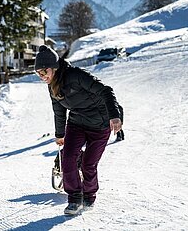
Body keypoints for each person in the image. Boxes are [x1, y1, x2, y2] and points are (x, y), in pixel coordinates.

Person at [35, 45, 123, 215]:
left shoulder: (75, 75)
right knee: (67, 158)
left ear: (54, 67)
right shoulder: (52, 85)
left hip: (100, 123)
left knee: (88, 164)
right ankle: (75, 198)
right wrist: (60, 134)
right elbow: (59, 110)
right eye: (38, 73)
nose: (42, 76)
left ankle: (89, 196)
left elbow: (106, 91)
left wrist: (114, 115)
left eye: (44, 71)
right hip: (76, 123)